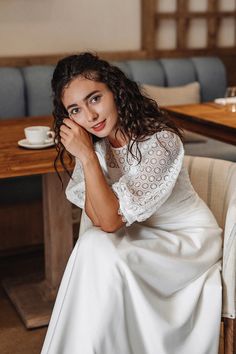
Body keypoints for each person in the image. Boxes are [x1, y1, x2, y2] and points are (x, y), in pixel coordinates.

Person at [41, 52, 222, 354]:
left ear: (116, 91)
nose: (90, 116)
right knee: (92, 245)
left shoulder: (160, 141)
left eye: (95, 99)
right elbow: (98, 219)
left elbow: (110, 222)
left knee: (97, 245)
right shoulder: (96, 146)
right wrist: (89, 157)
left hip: (187, 242)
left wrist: (86, 157)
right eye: (76, 109)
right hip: (142, 236)